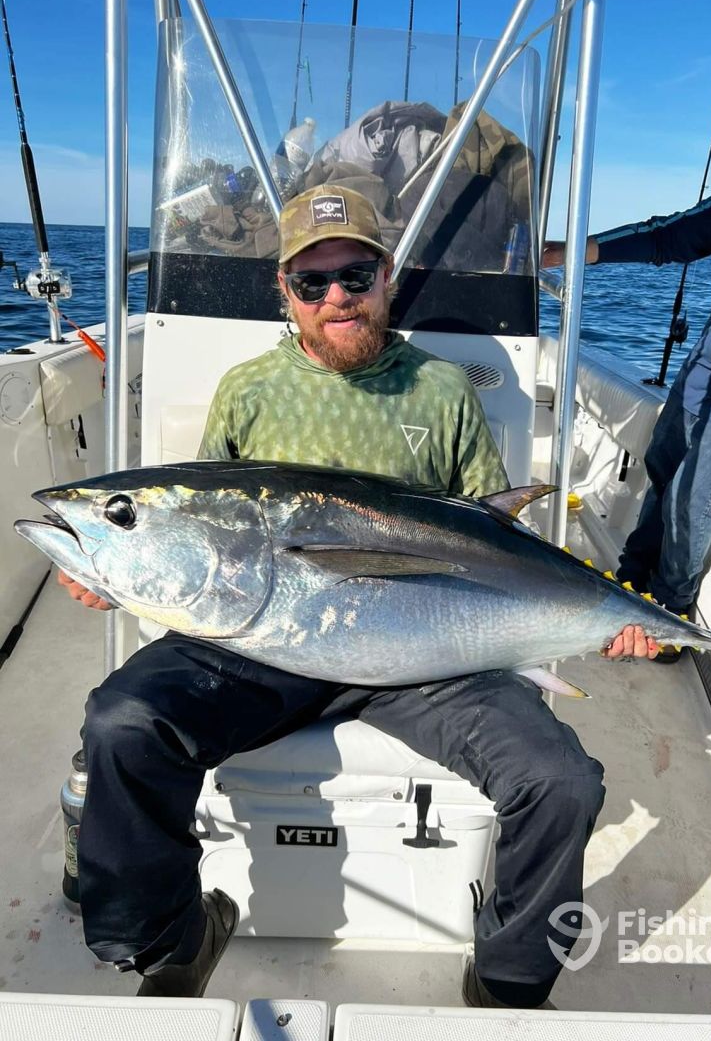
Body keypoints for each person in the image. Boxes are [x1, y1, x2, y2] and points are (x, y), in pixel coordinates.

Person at [60, 183, 657, 1008]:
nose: (336, 295)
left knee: (561, 780)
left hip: (428, 656)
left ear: (387, 279)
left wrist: (600, 619)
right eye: (313, 281)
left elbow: (494, 541)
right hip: (259, 644)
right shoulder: (248, 390)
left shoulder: (443, 390)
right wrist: (121, 568)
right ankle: (172, 942)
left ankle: (508, 985)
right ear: (285, 291)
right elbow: (201, 531)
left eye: (355, 275)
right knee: (122, 723)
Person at [543, 118, 711, 658]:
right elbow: (667, 236)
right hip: (697, 381)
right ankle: (631, 582)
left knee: (689, 499)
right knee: (662, 477)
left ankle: (669, 615)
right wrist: (572, 252)